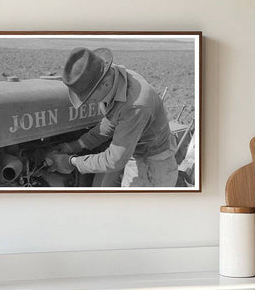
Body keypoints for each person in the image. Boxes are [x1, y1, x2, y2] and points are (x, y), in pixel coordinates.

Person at [47, 47, 178, 187]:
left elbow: (114, 160)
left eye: (88, 97)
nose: (87, 103)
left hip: (152, 165)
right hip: (135, 153)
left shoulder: (134, 106)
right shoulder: (116, 77)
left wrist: (71, 162)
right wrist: (74, 146)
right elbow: (111, 121)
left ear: (105, 84)